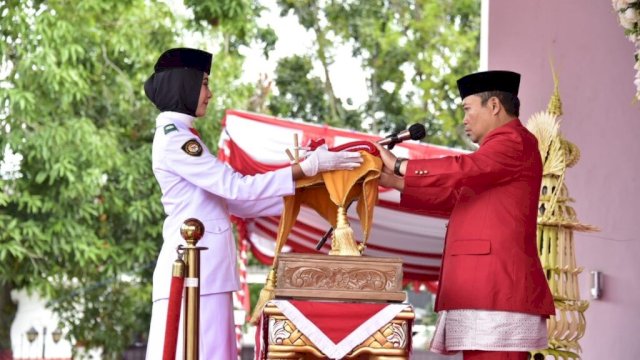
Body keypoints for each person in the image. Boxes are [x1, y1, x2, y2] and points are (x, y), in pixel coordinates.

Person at [143, 47, 362, 359]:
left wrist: (303, 192)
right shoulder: (176, 139)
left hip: (205, 273)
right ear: (185, 84)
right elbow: (236, 187)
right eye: (204, 83)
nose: (210, 93)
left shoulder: (182, 135)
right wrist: (306, 168)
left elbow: (236, 204)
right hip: (194, 273)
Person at [374, 70, 554, 360]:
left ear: (494, 106)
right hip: (485, 287)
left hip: (496, 288)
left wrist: (400, 166)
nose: (465, 119)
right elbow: (456, 196)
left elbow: (462, 168)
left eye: (468, 109)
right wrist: (395, 182)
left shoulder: (514, 141)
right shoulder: (498, 153)